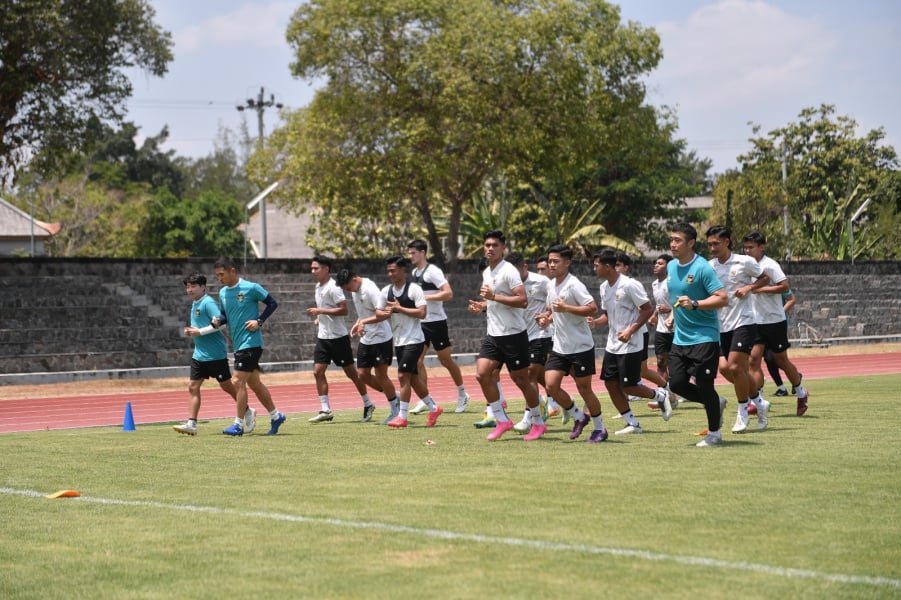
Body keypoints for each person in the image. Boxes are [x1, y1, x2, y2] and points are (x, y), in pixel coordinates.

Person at [467, 230, 545, 441]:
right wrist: (483, 306)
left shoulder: (509, 271)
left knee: (521, 380)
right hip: (494, 334)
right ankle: (502, 420)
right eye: (487, 245)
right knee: (482, 374)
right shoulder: (487, 272)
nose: (490, 248)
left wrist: (493, 296)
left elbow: (523, 301)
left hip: (513, 335)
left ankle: (538, 422)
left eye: (494, 245)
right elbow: (495, 301)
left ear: (503, 248)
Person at [589, 250, 673, 435]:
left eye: (597, 265)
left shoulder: (629, 285)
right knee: (610, 383)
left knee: (629, 385)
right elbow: (607, 315)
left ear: (608, 266)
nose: (594, 268)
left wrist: (630, 330)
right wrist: (595, 323)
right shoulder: (604, 287)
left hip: (632, 342)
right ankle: (632, 424)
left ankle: (660, 395)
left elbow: (647, 309)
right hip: (613, 344)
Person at [664, 224, 729, 447]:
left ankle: (714, 434)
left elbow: (722, 298)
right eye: (671, 239)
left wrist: (695, 304)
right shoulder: (671, 267)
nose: (673, 244)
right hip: (680, 339)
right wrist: (674, 314)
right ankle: (715, 402)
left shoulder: (703, 268)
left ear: (691, 243)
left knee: (704, 385)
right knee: (677, 384)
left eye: (678, 240)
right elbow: (678, 297)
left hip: (704, 338)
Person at [536, 244, 607, 443]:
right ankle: (578, 415)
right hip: (560, 346)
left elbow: (592, 308)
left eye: (555, 261)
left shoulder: (574, 284)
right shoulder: (551, 284)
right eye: (550, 261)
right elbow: (551, 309)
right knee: (550, 386)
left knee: (584, 389)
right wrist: (546, 318)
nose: (551, 265)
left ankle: (600, 428)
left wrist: (566, 307)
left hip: (580, 346)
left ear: (567, 263)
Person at [705, 225, 771, 433]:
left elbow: (765, 277)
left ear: (727, 242)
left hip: (744, 322)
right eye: (709, 244)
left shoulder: (744, 262)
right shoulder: (709, 266)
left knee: (735, 367)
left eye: (716, 243)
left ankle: (743, 411)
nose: (713, 247)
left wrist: (749, 287)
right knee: (727, 369)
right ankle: (759, 401)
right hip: (721, 325)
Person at [211, 258, 286, 436]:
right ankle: (276, 416)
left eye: (222, 274)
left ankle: (237, 425)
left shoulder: (251, 288)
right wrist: (217, 321)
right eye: (217, 275)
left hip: (251, 343)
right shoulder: (222, 293)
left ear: (232, 271)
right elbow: (224, 315)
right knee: (254, 383)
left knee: (237, 381)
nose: (219, 278)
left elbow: (272, 303)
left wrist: (259, 321)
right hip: (238, 344)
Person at [741, 232, 810, 416]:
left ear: (762, 247)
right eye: (745, 247)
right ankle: (757, 400)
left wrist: (761, 289)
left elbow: (785, 287)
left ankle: (801, 392)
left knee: (781, 360)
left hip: (774, 321)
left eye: (751, 247)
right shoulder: (744, 266)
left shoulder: (770, 265)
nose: (747, 251)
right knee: (753, 361)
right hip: (754, 321)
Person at [306, 255, 375, 423]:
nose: (313, 271)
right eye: (312, 268)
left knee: (351, 373)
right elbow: (327, 310)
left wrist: (321, 311)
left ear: (326, 269)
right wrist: (319, 318)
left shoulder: (333, 287)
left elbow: (344, 310)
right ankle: (325, 410)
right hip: (323, 337)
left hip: (338, 338)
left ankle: (368, 403)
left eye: (316, 268)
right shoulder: (318, 287)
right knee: (318, 372)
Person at [376, 256, 443, 428]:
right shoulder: (386, 292)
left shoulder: (414, 289)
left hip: (414, 340)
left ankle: (402, 416)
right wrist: (388, 312)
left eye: (394, 270)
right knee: (412, 379)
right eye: (388, 271)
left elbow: (422, 313)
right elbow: (378, 314)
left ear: (403, 270)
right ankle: (434, 407)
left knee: (402, 375)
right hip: (399, 341)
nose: (390, 274)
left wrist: (399, 308)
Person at [406, 239, 471, 413]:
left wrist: (426, 298)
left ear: (423, 253)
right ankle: (425, 399)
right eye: (409, 253)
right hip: (421, 323)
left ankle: (463, 393)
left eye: (413, 252)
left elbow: (448, 293)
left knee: (445, 360)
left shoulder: (432, 271)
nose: (410, 256)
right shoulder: (414, 273)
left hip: (436, 323)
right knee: (417, 361)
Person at [174, 272, 240, 436]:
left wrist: (199, 332)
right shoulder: (195, 303)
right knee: (193, 386)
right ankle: (192, 423)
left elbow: (222, 324)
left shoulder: (208, 302)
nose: (189, 290)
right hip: (199, 355)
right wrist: (192, 331)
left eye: (193, 286)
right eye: (188, 287)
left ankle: (246, 410)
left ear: (203, 287)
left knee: (227, 386)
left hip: (215, 354)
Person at [336, 268, 401, 425]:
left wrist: (364, 322)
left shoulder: (370, 290)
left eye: (347, 287)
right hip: (367, 339)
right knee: (362, 375)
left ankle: (395, 411)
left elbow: (386, 313)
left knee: (381, 375)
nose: (347, 291)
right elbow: (364, 312)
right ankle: (394, 395)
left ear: (354, 279)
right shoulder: (354, 291)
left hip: (381, 338)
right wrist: (358, 322)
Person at [501, 252, 555, 435]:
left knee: (530, 374)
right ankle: (564, 402)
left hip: (540, 334)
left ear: (524, 267)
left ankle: (528, 419)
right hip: (519, 336)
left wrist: (548, 317)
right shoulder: (508, 283)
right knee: (537, 378)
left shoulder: (542, 282)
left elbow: (556, 304)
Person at [647, 254, 675, 410]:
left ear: (668, 267)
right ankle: (664, 396)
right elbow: (659, 305)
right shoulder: (654, 284)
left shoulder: (672, 283)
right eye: (655, 262)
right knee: (660, 362)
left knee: (676, 364)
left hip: (676, 328)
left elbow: (681, 302)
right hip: (661, 329)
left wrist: (670, 309)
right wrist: (654, 315)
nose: (655, 265)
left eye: (660, 263)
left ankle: (676, 393)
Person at [763, 289, 796, 396]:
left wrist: (779, 314)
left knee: (776, 358)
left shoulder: (776, 281)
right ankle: (781, 388)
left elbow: (791, 299)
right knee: (768, 359)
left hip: (777, 325)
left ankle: (795, 378)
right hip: (762, 325)